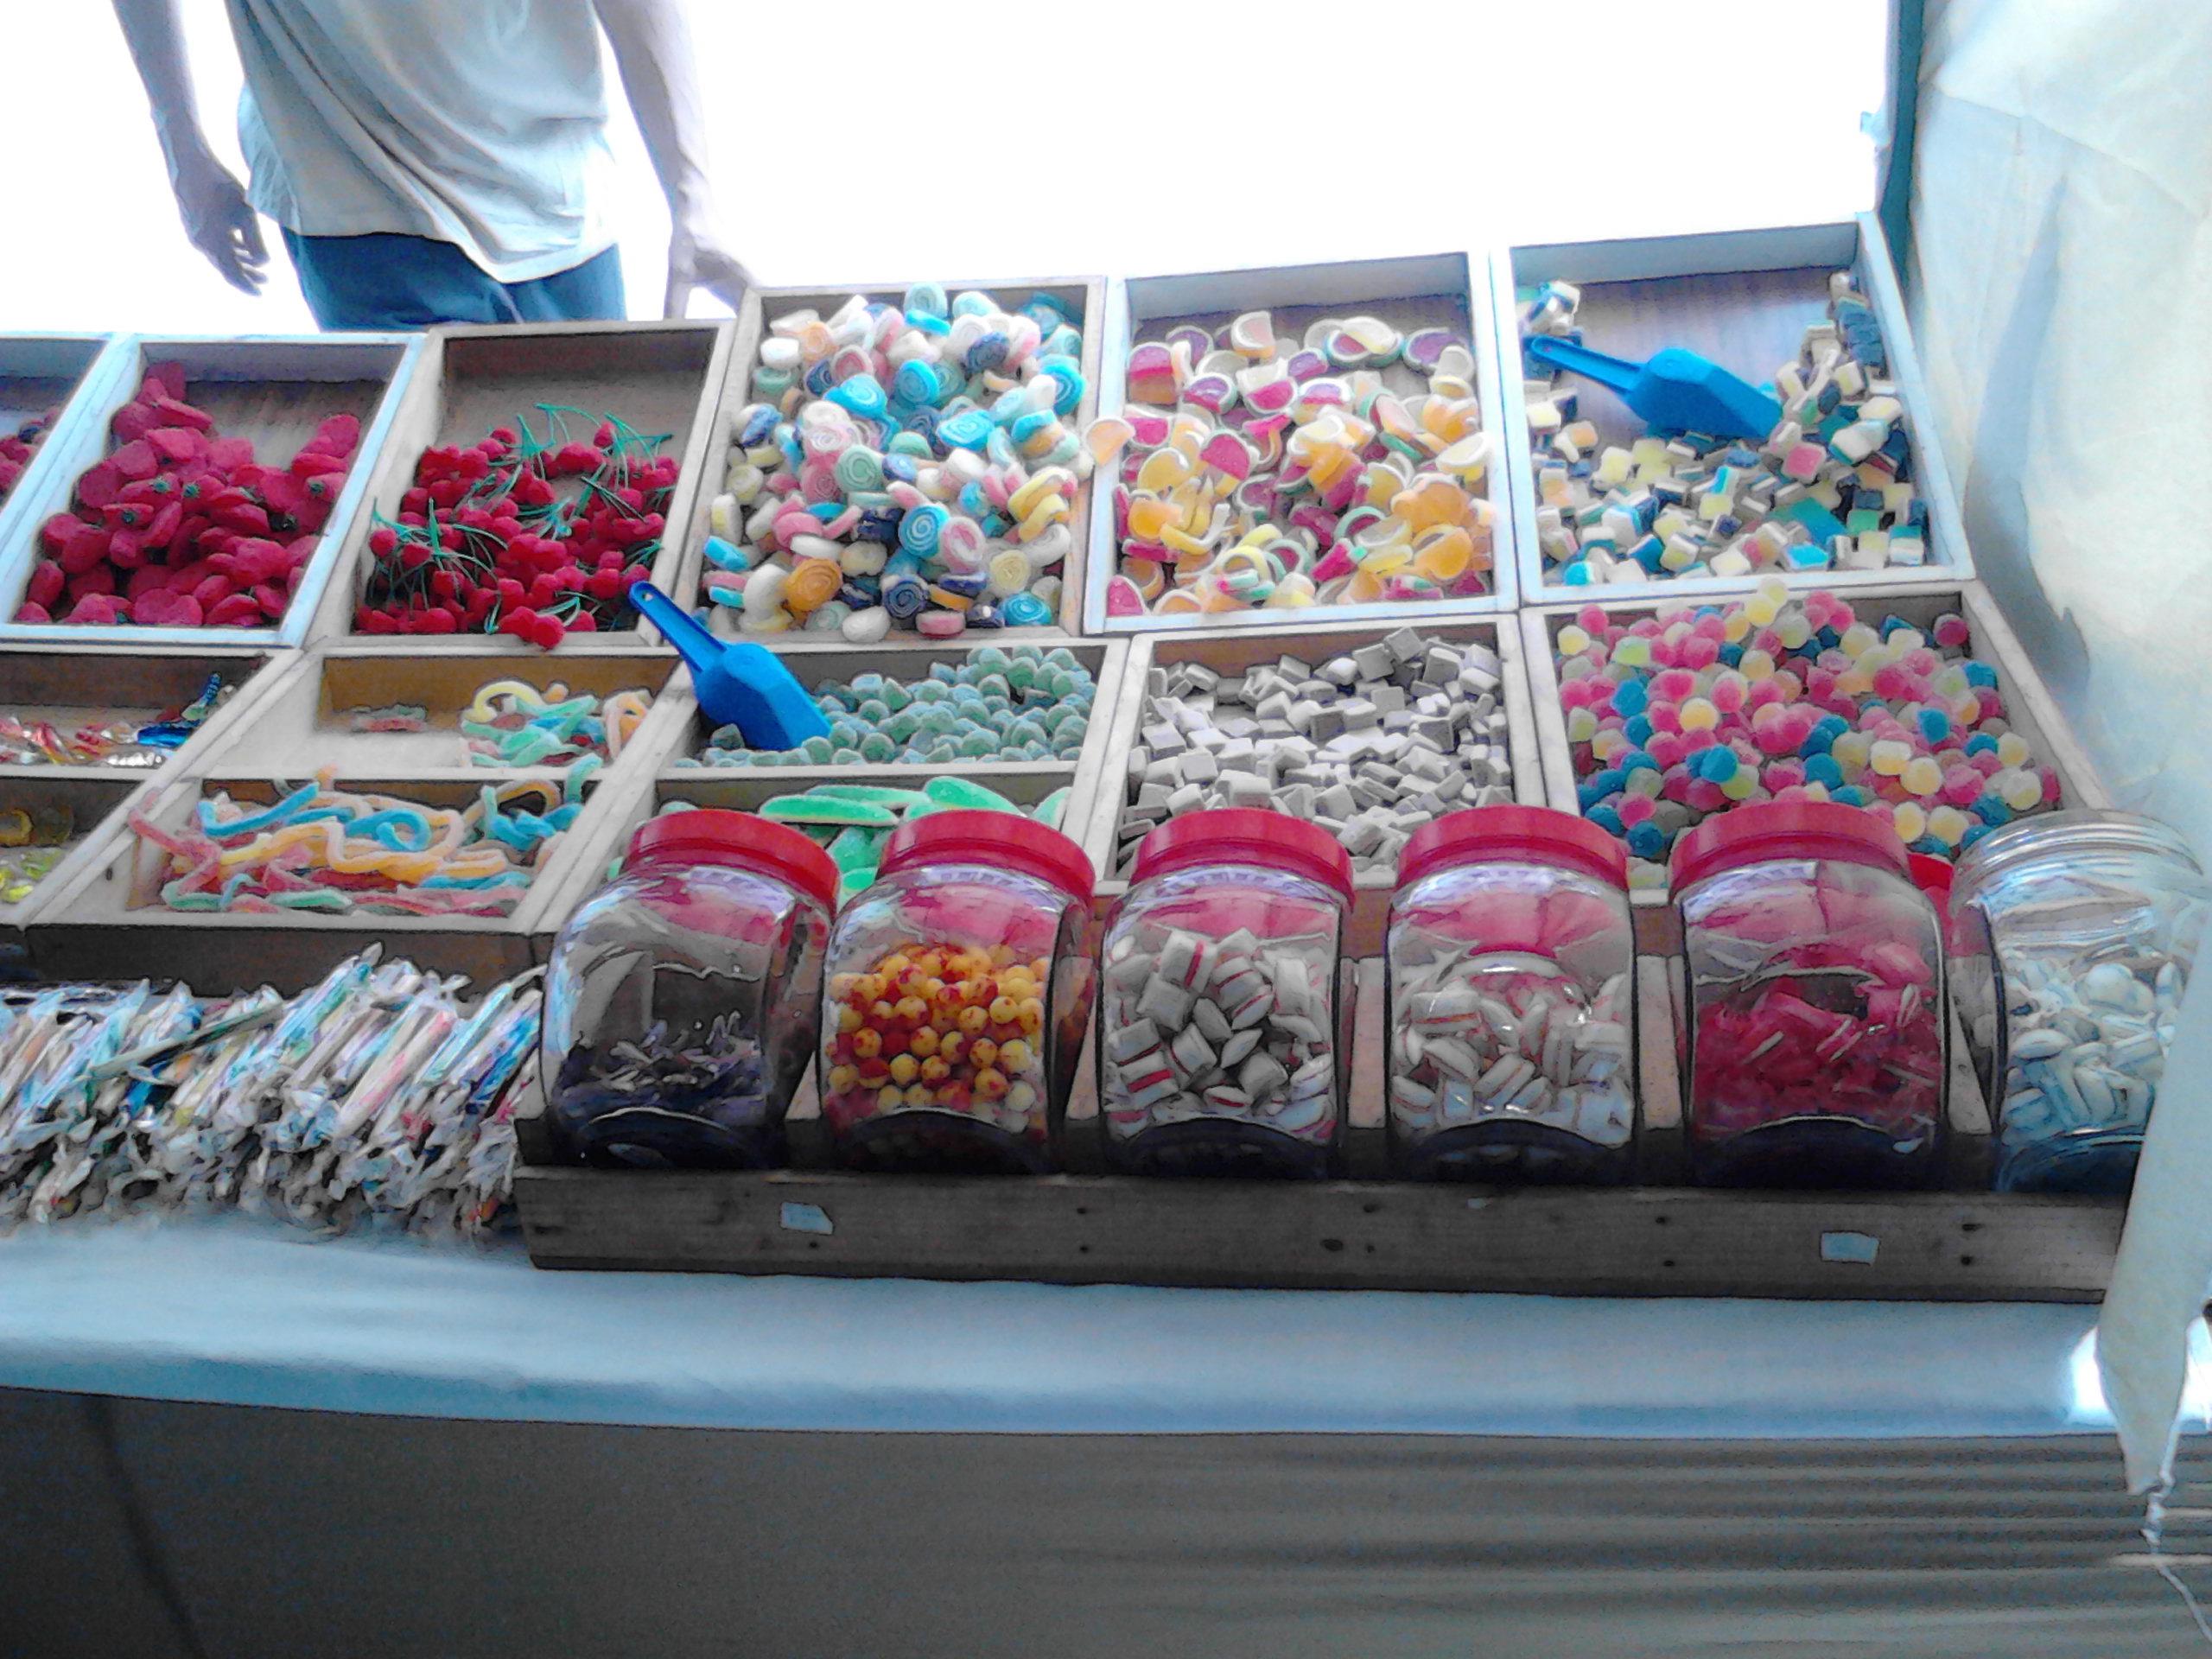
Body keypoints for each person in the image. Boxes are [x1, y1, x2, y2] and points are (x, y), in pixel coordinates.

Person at [111, 0, 751, 329]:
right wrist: (180, 143)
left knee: (601, 479)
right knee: (440, 510)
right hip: (353, 178)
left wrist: (693, 200)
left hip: (553, 186)